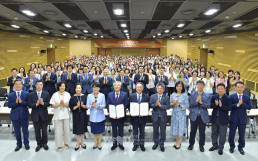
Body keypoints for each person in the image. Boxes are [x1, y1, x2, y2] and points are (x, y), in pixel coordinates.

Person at [228, 81, 251, 155]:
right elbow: (229, 107)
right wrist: (237, 104)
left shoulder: (247, 97)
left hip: (242, 119)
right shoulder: (231, 96)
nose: (240, 89)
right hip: (233, 118)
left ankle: (240, 147)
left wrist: (243, 104)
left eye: (241, 87)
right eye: (238, 87)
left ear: (244, 88)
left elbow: (249, 107)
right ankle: (232, 147)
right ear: (235, 88)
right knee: (232, 134)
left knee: (242, 134)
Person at [28, 80, 50, 152]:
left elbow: (48, 104)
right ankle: (39, 144)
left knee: (44, 131)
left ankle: (44, 144)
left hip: (44, 115)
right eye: (38, 85)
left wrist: (43, 103)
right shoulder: (31, 94)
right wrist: (36, 104)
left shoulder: (46, 94)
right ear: (35, 86)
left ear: (42, 86)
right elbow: (29, 104)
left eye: (41, 84)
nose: (39, 86)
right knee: (37, 131)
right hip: (35, 115)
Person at [188, 80, 210, 152]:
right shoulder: (192, 94)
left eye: (201, 85)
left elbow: (208, 105)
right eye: (198, 85)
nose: (200, 86)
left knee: (202, 132)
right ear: (196, 86)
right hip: (194, 116)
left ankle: (201, 146)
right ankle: (191, 144)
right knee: (192, 131)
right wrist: (196, 102)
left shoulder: (207, 95)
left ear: (203, 86)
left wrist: (201, 103)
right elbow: (190, 104)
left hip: (202, 116)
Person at [209, 83, 231, 155]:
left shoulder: (228, 98)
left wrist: (221, 106)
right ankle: (214, 145)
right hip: (214, 118)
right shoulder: (214, 96)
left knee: (222, 134)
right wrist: (215, 105)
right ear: (216, 90)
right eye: (218, 89)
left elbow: (229, 108)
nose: (220, 90)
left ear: (224, 90)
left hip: (223, 119)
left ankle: (221, 147)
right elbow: (211, 105)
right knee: (214, 133)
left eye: (222, 89)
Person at [8, 79, 30, 151]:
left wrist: (22, 102)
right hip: (15, 116)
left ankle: (26, 144)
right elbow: (9, 105)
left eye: (19, 84)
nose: (18, 85)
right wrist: (16, 103)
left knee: (25, 131)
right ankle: (18, 144)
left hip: (24, 115)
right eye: (16, 84)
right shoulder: (11, 95)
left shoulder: (26, 93)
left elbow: (28, 104)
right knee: (17, 131)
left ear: (22, 85)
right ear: (14, 85)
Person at [107, 81, 129, 151]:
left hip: (121, 116)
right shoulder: (109, 94)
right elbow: (107, 105)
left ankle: (120, 144)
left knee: (121, 130)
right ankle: (114, 144)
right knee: (114, 131)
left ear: (120, 87)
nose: (116, 86)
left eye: (118, 85)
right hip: (113, 116)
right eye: (115, 85)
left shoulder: (124, 94)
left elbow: (126, 104)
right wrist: (111, 113)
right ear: (113, 86)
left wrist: (120, 112)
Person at [50, 81, 71, 152]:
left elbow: (70, 104)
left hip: (66, 114)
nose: (62, 87)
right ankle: (59, 145)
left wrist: (64, 104)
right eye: (61, 86)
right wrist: (59, 104)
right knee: (58, 131)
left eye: (64, 86)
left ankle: (66, 143)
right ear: (58, 87)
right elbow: (52, 105)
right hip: (57, 115)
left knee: (67, 130)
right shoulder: (55, 94)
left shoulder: (68, 94)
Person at [129, 82, 149, 151]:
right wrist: (131, 112)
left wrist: (144, 112)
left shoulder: (146, 96)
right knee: (135, 132)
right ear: (135, 88)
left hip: (143, 118)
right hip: (134, 117)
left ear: (143, 88)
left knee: (142, 132)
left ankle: (142, 144)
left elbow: (147, 107)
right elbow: (129, 106)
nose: (139, 88)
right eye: (138, 87)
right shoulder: (131, 96)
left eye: (141, 87)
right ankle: (135, 144)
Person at [150, 82, 170, 152]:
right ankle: (155, 143)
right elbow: (150, 105)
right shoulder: (153, 96)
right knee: (155, 131)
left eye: (161, 88)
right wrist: (156, 104)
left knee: (163, 131)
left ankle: (161, 144)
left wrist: (161, 105)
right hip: (155, 116)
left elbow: (168, 106)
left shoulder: (166, 97)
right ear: (156, 89)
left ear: (163, 89)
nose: (159, 90)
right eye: (158, 88)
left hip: (163, 116)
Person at [86, 82, 106, 150]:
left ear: (99, 88)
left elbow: (104, 105)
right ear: (92, 88)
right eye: (94, 87)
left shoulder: (102, 95)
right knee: (94, 131)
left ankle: (99, 143)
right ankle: (95, 142)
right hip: (93, 116)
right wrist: (91, 106)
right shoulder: (89, 96)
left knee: (100, 131)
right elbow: (87, 106)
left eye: (97, 87)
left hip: (100, 115)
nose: (95, 89)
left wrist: (99, 106)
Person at [170, 81, 189, 149]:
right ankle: (177, 141)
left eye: (180, 86)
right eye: (177, 86)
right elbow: (170, 105)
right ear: (175, 87)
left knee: (181, 128)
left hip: (181, 114)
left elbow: (187, 105)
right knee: (176, 128)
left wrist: (180, 105)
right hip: (174, 114)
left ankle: (179, 142)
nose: (179, 88)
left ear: (182, 87)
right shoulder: (173, 94)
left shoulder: (185, 95)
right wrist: (172, 104)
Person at [69, 83, 87, 151]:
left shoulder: (84, 96)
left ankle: (82, 143)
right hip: (76, 115)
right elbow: (71, 107)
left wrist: (82, 106)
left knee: (82, 130)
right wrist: (76, 106)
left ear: (81, 89)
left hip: (83, 114)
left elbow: (87, 107)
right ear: (75, 89)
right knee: (77, 129)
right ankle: (77, 143)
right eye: (77, 88)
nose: (78, 89)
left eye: (79, 88)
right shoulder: (72, 97)